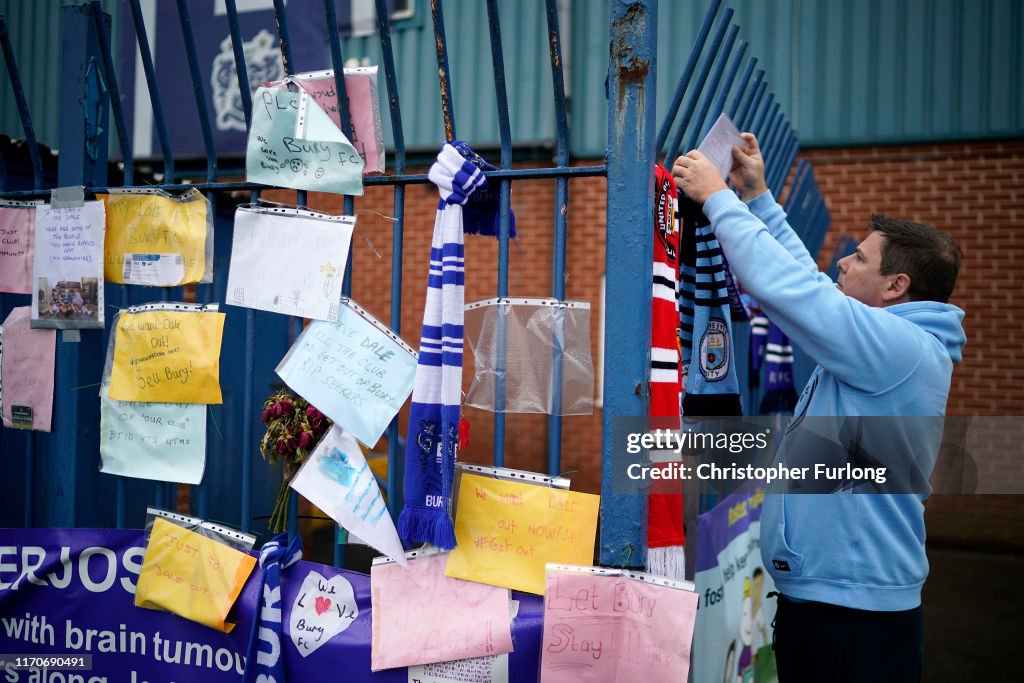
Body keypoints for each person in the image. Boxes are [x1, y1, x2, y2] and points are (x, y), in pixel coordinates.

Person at [673, 133, 965, 682]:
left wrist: (719, 198)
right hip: (840, 601)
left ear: (895, 286)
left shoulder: (895, 348)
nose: (842, 263)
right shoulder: (892, 341)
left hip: (851, 615)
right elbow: (809, 284)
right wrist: (758, 195)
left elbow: (794, 290)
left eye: (859, 258)